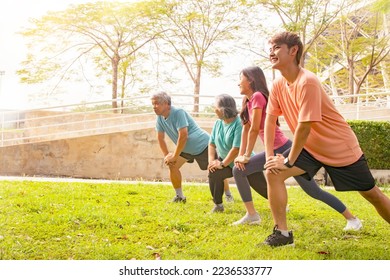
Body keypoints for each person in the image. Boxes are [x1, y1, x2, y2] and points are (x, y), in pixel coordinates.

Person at [263, 31, 390, 247]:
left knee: (372, 195)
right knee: (272, 172)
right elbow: (269, 120)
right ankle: (282, 235)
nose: (270, 53)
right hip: (310, 148)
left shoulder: (308, 82)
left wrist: (289, 161)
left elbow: (304, 127)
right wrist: (269, 158)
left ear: (293, 51)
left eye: (276, 47)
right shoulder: (277, 85)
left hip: (339, 149)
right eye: (270, 48)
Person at [232, 66, 361, 230]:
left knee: (313, 191)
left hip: (285, 148)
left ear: (250, 80)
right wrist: (241, 155)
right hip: (275, 150)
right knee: (239, 170)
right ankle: (252, 214)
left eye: (240, 78)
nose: (238, 83)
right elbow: (246, 128)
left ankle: (352, 219)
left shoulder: (258, 96)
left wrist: (247, 155)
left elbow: (255, 128)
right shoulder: (248, 101)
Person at [151, 91, 233, 202]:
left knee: (215, 169)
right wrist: (168, 157)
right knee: (172, 165)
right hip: (184, 148)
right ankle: (180, 196)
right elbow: (160, 138)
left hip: (202, 145)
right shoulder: (160, 118)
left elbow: (183, 135)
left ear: (166, 103)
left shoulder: (178, 112)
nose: (154, 107)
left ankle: (228, 195)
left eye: (156, 104)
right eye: (153, 104)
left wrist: (174, 155)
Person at [207, 94, 262, 212]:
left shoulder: (239, 123)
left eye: (215, 107)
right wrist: (212, 161)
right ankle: (218, 205)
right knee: (214, 172)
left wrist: (222, 164)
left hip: (244, 163)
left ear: (222, 109)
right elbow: (211, 144)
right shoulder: (218, 123)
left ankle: (282, 205)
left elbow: (236, 148)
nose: (214, 109)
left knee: (262, 187)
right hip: (227, 162)